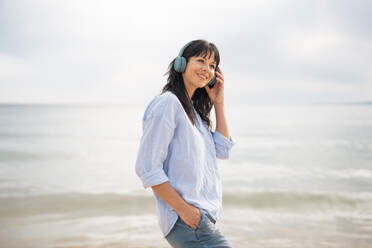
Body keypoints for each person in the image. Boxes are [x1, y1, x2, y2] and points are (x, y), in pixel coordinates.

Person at [135, 39, 235, 248]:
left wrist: (219, 103)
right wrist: (186, 211)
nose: (207, 69)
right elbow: (147, 167)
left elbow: (222, 149)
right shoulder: (168, 103)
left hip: (201, 220)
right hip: (188, 221)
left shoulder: (194, 114)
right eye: (201, 61)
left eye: (212, 66)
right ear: (181, 64)